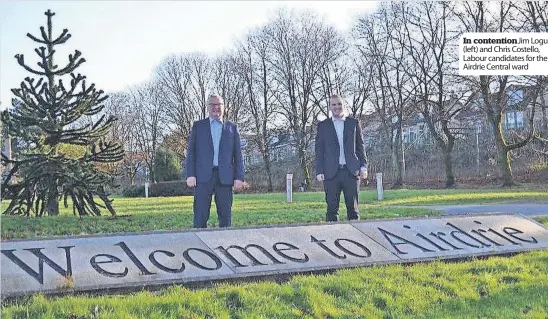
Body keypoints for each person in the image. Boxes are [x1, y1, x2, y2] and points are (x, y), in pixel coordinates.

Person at [185, 94, 245, 228]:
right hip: (202, 177)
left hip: (225, 178)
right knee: (200, 216)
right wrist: (190, 174)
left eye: (219, 105)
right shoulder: (198, 126)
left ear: (224, 107)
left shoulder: (232, 128)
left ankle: (225, 245)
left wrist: (239, 177)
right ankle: (198, 245)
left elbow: (238, 155)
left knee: (225, 217)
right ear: (208, 107)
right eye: (212, 104)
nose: (216, 107)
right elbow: (191, 153)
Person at [315, 94, 368, 222]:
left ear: (343, 105)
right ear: (330, 107)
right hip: (331, 173)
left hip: (351, 172)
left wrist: (364, 166)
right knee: (332, 210)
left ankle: (356, 237)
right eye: (334, 104)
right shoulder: (323, 126)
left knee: (353, 210)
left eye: (339, 104)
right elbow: (319, 150)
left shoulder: (353, 123)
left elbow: (360, 146)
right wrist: (319, 170)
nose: (337, 107)